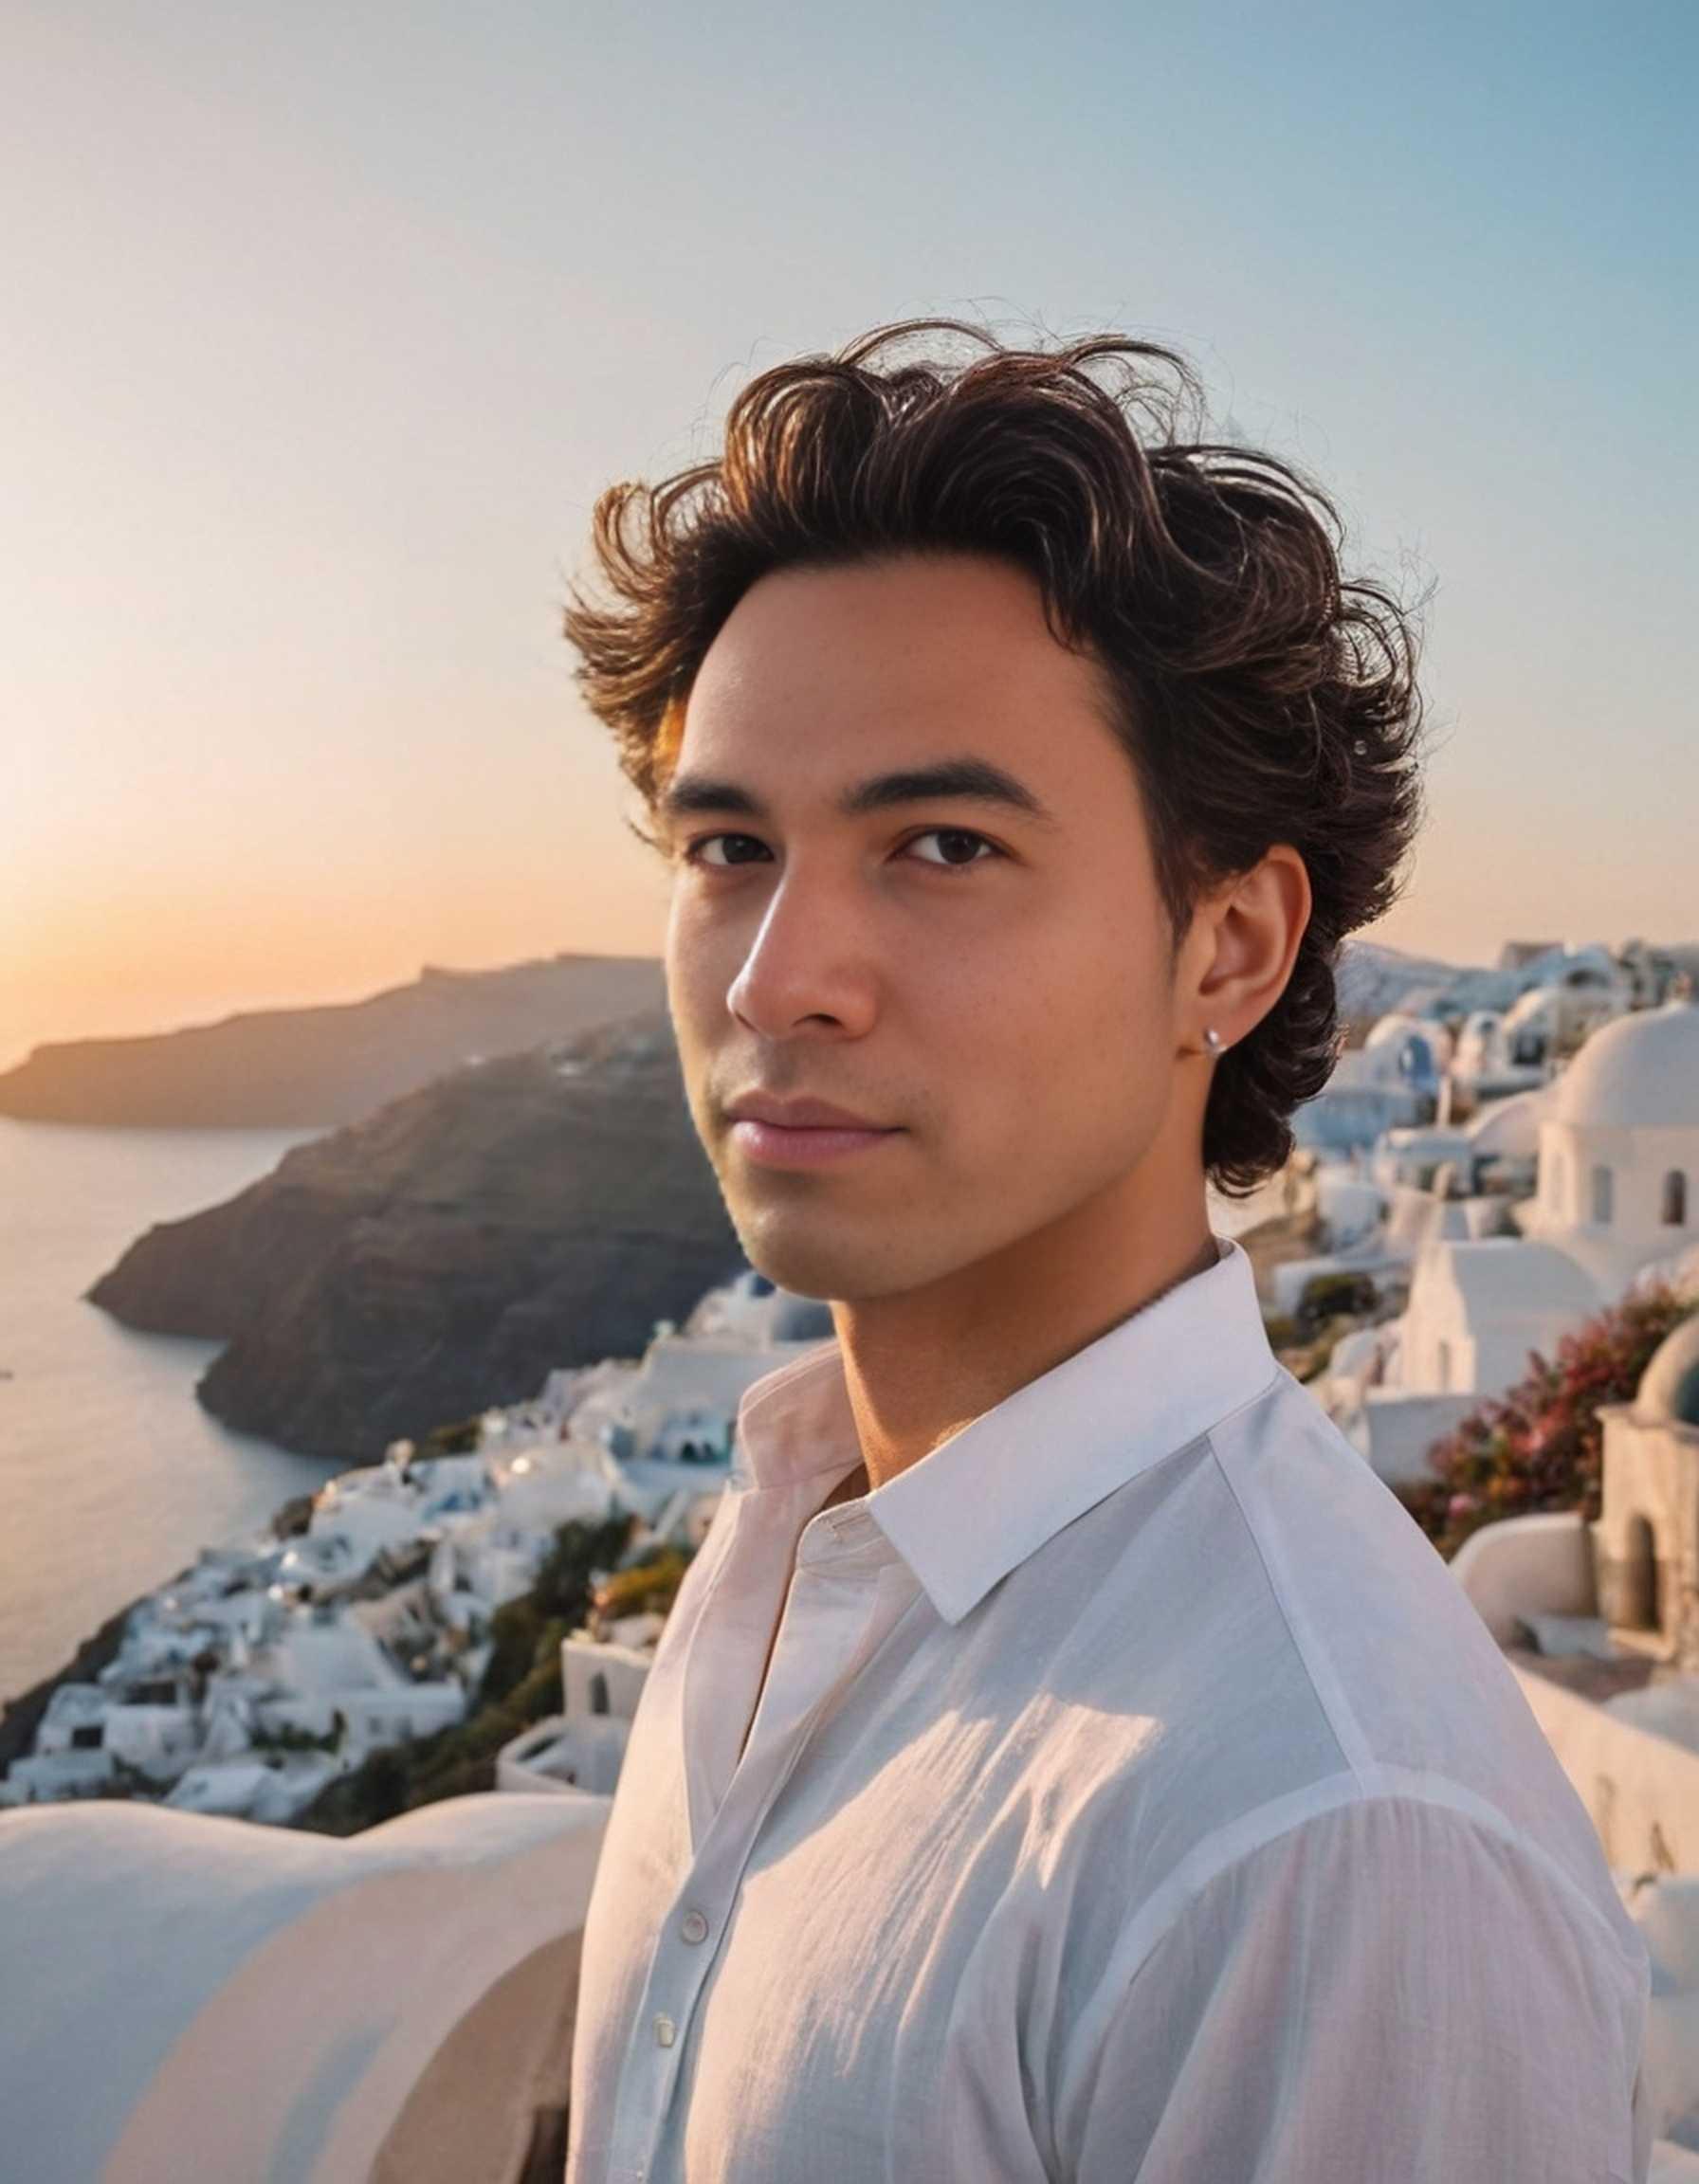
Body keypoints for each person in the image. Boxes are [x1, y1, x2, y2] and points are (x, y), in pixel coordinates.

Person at [558, 318, 1651, 2182]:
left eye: (944, 847)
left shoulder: (1320, 1836)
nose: (773, 978)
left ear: (1223, 948)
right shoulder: (782, 1546)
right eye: (727, 845)